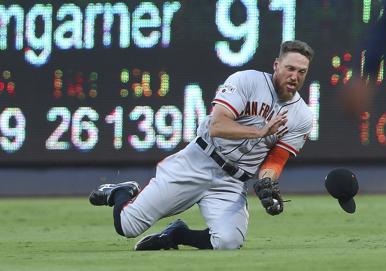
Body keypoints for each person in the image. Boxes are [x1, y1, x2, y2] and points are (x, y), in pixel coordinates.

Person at [89, 40, 314, 250]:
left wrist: (267, 182)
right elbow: (217, 125)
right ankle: (121, 191)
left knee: (229, 241)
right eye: (290, 68)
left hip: (232, 181)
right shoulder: (247, 81)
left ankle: (176, 235)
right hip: (199, 161)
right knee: (126, 227)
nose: (294, 76)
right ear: (276, 65)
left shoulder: (302, 116)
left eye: (301, 72)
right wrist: (260, 131)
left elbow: (276, 159)